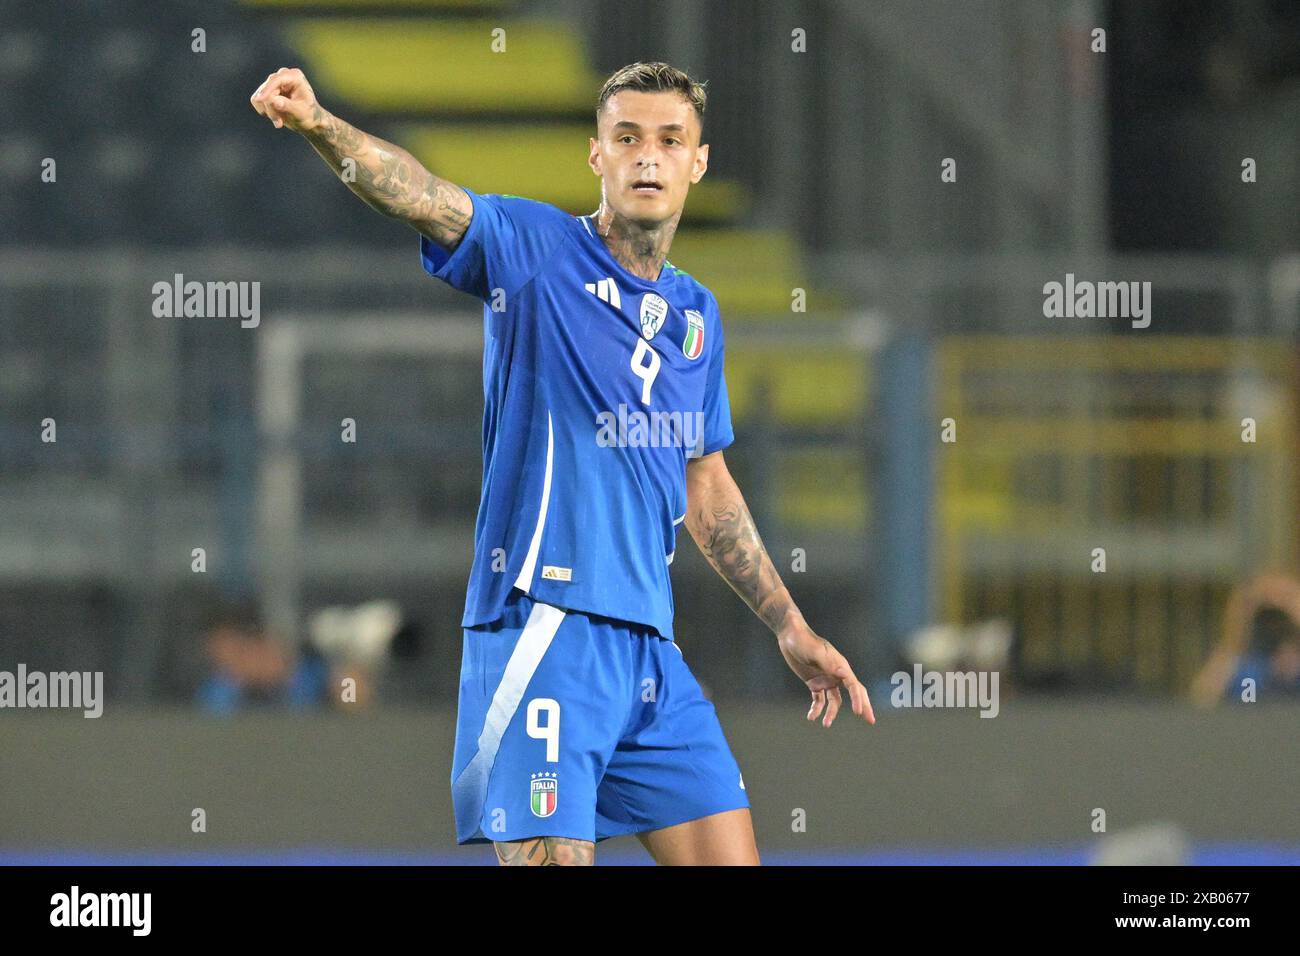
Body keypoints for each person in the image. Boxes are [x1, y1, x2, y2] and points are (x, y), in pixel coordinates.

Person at [250, 60, 874, 866]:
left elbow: (705, 483)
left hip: (650, 650)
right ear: (597, 157)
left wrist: (790, 624)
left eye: (669, 139)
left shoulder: (696, 314)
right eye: (628, 138)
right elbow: (422, 194)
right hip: (545, 625)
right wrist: (320, 125)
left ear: (698, 162)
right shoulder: (539, 253)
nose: (648, 157)